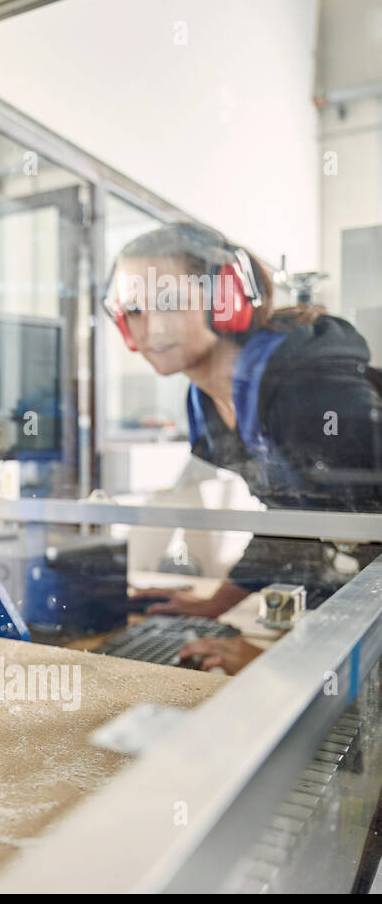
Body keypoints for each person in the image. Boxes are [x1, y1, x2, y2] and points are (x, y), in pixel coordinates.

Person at [102, 223, 382, 673]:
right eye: (133, 307)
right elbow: (296, 519)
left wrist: (288, 663)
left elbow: (359, 532)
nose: (149, 325)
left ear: (226, 297)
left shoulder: (312, 388)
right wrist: (218, 602)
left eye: (169, 300)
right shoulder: (208, 405)